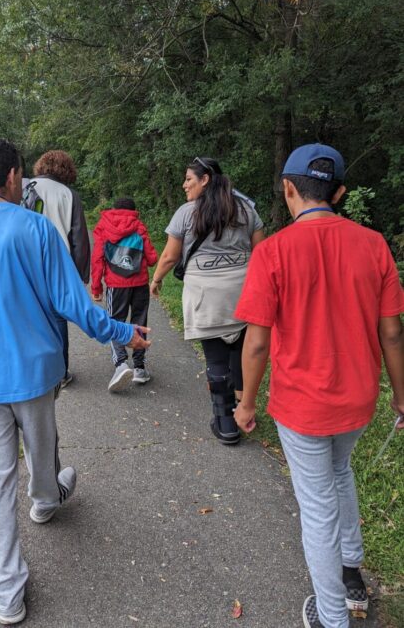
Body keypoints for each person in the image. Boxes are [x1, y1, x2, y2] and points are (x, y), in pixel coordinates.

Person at [0, 138, 150, 626]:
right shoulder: (36, 229)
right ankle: (44, 500)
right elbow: (74, 305)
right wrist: (124, 332)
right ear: (15, 176)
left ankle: (6, 596)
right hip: (36, 375)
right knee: (42, 449)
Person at [233, 144, 404, 628]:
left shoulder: (272, 252)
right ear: (342, 193)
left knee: (317, 509)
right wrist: (401, 393)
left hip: (302, 407)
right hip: (358, 399)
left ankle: (333, 617)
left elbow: (257, 345)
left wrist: (246, 405)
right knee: (339, 471)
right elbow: (391, 331)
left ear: (289, 189)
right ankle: (352, 571)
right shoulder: (374, 245)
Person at [150, 157, 264, 444]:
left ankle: (225, 422)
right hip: (243, 289)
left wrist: (156, 278)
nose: (184, 184)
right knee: (240, 351)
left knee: (216, 358)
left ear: (206, 179)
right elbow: (261, 253)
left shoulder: (187, 213)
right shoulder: (246, 209)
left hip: (206, 293)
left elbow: (170, 256)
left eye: (189, 178)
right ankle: (243, 409)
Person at [25, 150, 91, 388]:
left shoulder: (23, 186)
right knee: (58, 318)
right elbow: (79, 240)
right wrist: (81, 274)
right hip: (56, 265)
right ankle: (60, 373)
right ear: (67, 170)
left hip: (24, 262)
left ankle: (34, 369)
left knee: (29, 314)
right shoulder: (69, 195)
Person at [91, 197, 158, 391]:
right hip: (140, 283)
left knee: (115, 321)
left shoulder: (104, 225)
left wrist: (97, 287)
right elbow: (152, 258)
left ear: (114, 209)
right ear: (133, 210)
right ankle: (139, 368)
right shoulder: (138, 225)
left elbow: (97, 258)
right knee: (139, 321)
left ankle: (120, 364)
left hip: (116, 285)